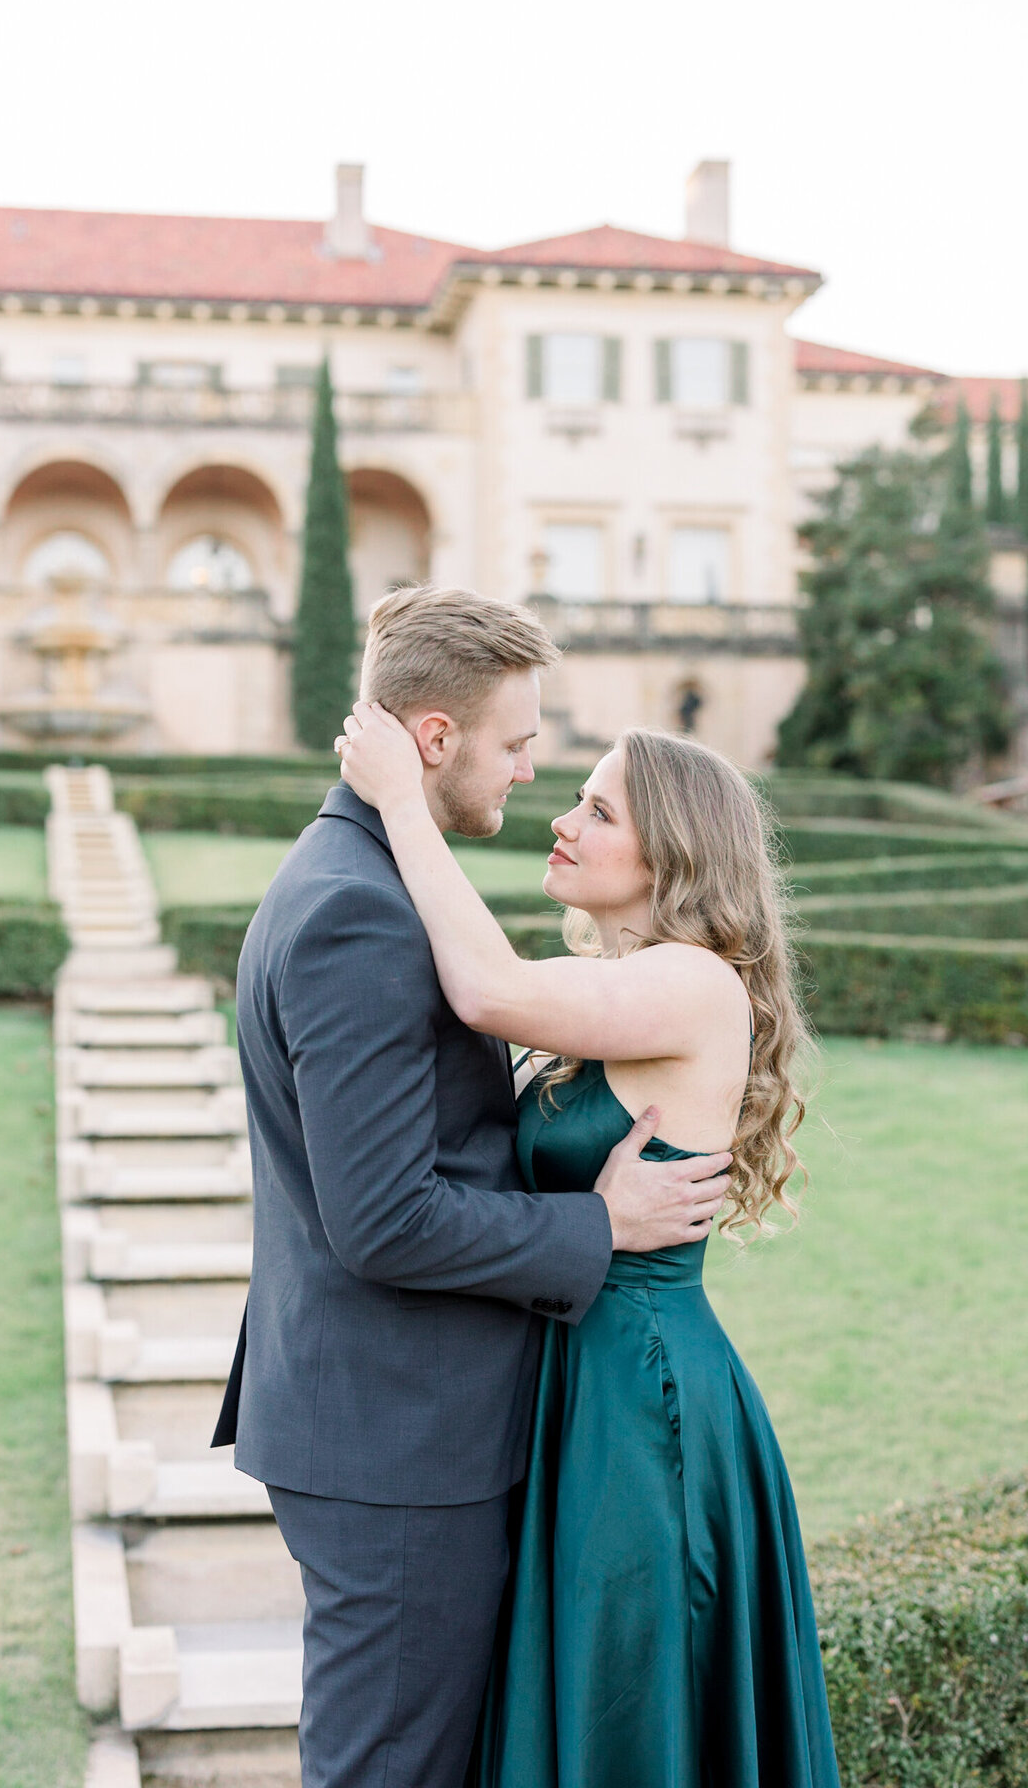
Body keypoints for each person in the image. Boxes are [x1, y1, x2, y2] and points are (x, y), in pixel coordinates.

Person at [212, 586, 733, 1788]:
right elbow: (385, 1218)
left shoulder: (374, 876)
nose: (531, 772)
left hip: (400, 1421)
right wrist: (597, 1223)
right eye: (516, 743)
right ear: (434, 740)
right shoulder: (359, 912)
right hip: (399, 1440)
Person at [337, 704, 843, 1788]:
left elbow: (485, 988)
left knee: (629, 1703)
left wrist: (397, 799)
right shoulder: (629, 981)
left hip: (642, 1400)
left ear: (672, 852)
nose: (561, 819)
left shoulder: (692, 981)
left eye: (598, 808)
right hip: (585, 1378)